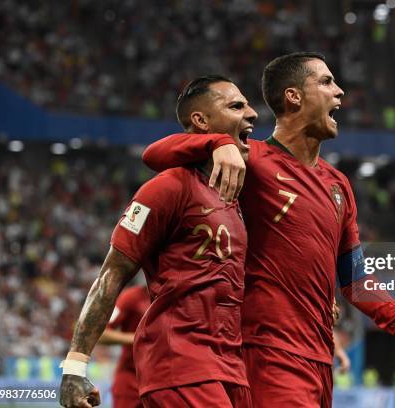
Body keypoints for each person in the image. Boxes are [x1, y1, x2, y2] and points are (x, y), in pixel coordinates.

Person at [142, 52, 395, 407]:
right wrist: (216, 143)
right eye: (326, 82)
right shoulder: (255, 160)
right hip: (266, 352)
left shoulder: (338, 186)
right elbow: (156, 153)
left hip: (319, 360)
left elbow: (355, 279)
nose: (339, 92)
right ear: (294, 96)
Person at [59, 75, 257, 408]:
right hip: (180, 361)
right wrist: (74, 368)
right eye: (236, 106)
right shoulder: (168, 188)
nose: (252, 113)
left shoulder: (232, 196)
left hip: (231, 365)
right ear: (201, 120)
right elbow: (111, 275)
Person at [97, 284, 150, 408]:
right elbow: (101, 333)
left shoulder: (177, 296)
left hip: (165, 379)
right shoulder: (130, 297)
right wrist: (138, 338)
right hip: (131, 380)